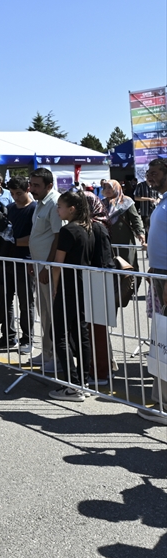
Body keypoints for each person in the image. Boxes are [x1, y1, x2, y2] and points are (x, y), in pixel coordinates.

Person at [46, 191, 99, 402]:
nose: (57, 210)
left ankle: (72, 384)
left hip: (68, 286)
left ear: (72, 209)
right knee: (80, 333)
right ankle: (83, 382)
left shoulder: (68, 230)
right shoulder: (89, 228)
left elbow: (58, 264)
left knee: (59, 333)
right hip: (83, 285)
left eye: (60, 206)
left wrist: (55, 287)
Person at [27, 168, 63, 372]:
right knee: (45, 312)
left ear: (49, 185)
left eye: (36, 185)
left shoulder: (54, 203)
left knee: (54, 313)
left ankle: (58, 357)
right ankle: (47, 352)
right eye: (31, 184)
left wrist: (48, 266)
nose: (32, 189)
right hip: (39, 266)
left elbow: (58, 238)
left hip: (49, 269)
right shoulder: (40, 203)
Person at [140, 157, 167, 424]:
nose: (149, 176)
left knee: (165, 339)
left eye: (155, 172)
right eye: (148, 172)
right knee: (161, 336)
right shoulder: (162, 201)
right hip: (160, 273)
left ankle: (165, 405)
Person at [2, 177, 36, 354]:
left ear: (27, 190)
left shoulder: (34, 209)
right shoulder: (9, 209)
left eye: (19, 193)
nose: (16, 197)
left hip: (25, 261)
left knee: (25, 302)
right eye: (13, 193)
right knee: (5, 300)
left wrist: (13, 241)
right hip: (7, 260)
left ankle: (27, 338)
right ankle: (8, 336)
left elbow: (34, 238)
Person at [100, 178, 146, 270]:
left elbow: (135, 218)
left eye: (110, 187)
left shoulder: (126, 201)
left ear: (116, 188)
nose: (107, 190)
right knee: (112, 264)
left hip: (124, 238)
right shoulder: (102, 203)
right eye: (105, 188)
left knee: (128, 263)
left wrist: (140, 232)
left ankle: (132, 279)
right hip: (109, 239)